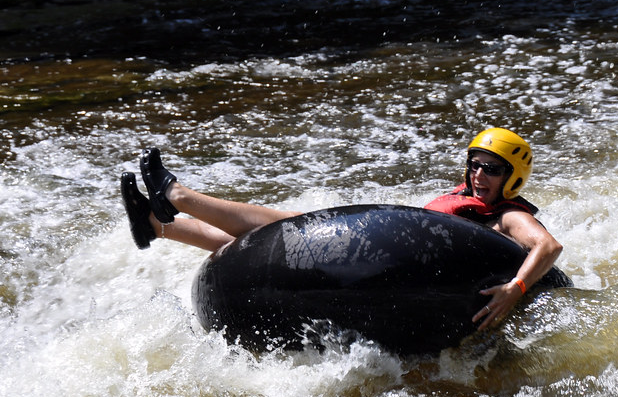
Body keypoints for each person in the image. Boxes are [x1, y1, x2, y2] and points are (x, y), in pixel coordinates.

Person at [120, 128, 563, 330]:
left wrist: (516, 288)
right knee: (264, 244)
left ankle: (175, 199)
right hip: (401, 268)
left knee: (289, 229)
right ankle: (159, 226)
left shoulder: (506, 216)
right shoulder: (465, 204)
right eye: (476, 165)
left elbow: (548, 245)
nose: (480, 175)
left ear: (512, 178)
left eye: (492, 169)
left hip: (426, 286)